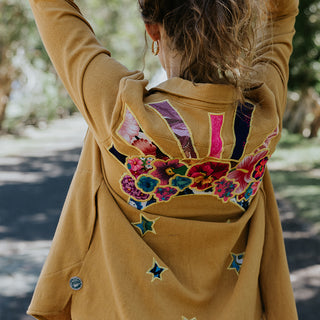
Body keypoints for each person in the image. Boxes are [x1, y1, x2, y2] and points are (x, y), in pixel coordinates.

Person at [27, 0, 299, 319]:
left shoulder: (122, 114)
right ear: (238, 29)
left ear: (153, 30)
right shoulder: (263, 122)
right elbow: (282, 13)